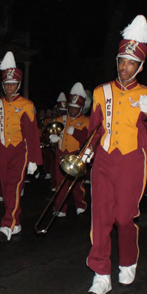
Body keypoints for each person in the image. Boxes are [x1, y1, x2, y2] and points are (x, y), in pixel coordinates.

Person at [82, 15, 147, 294]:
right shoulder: (100, 92)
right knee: (101, 218)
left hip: (132, 162)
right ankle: (101, 272)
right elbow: (94, 129)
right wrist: (85, 153)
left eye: (131, 62)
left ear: (140, 66)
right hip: (104, 159)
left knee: (123, 218)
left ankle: (128, 260)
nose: (124, 67)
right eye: (121, 61)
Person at [0, 51, 43, 242]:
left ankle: (7, 224)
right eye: (7, 84)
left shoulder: (26, 105)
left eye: (13, 84)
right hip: (1, 152)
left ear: (18, 85)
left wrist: (33, 159)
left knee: (14, 187)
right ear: (3, 85)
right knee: (5, 188)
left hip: (19, 152)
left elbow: (32, 135)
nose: (9, 87)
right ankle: (16, 222)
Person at [50, 82, 90, 217]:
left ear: (80, 108)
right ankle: (60, 208)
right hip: (61, 154)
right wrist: (53, 137)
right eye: (71, 107)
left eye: (75, 108)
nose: (72, 110)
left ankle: (81, 204)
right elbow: (53, 131)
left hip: (75, 155)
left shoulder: (86, 121)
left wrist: (76, 133)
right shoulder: (61, 119)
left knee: (76, 184)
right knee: (60, 183)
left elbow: (88, 140)